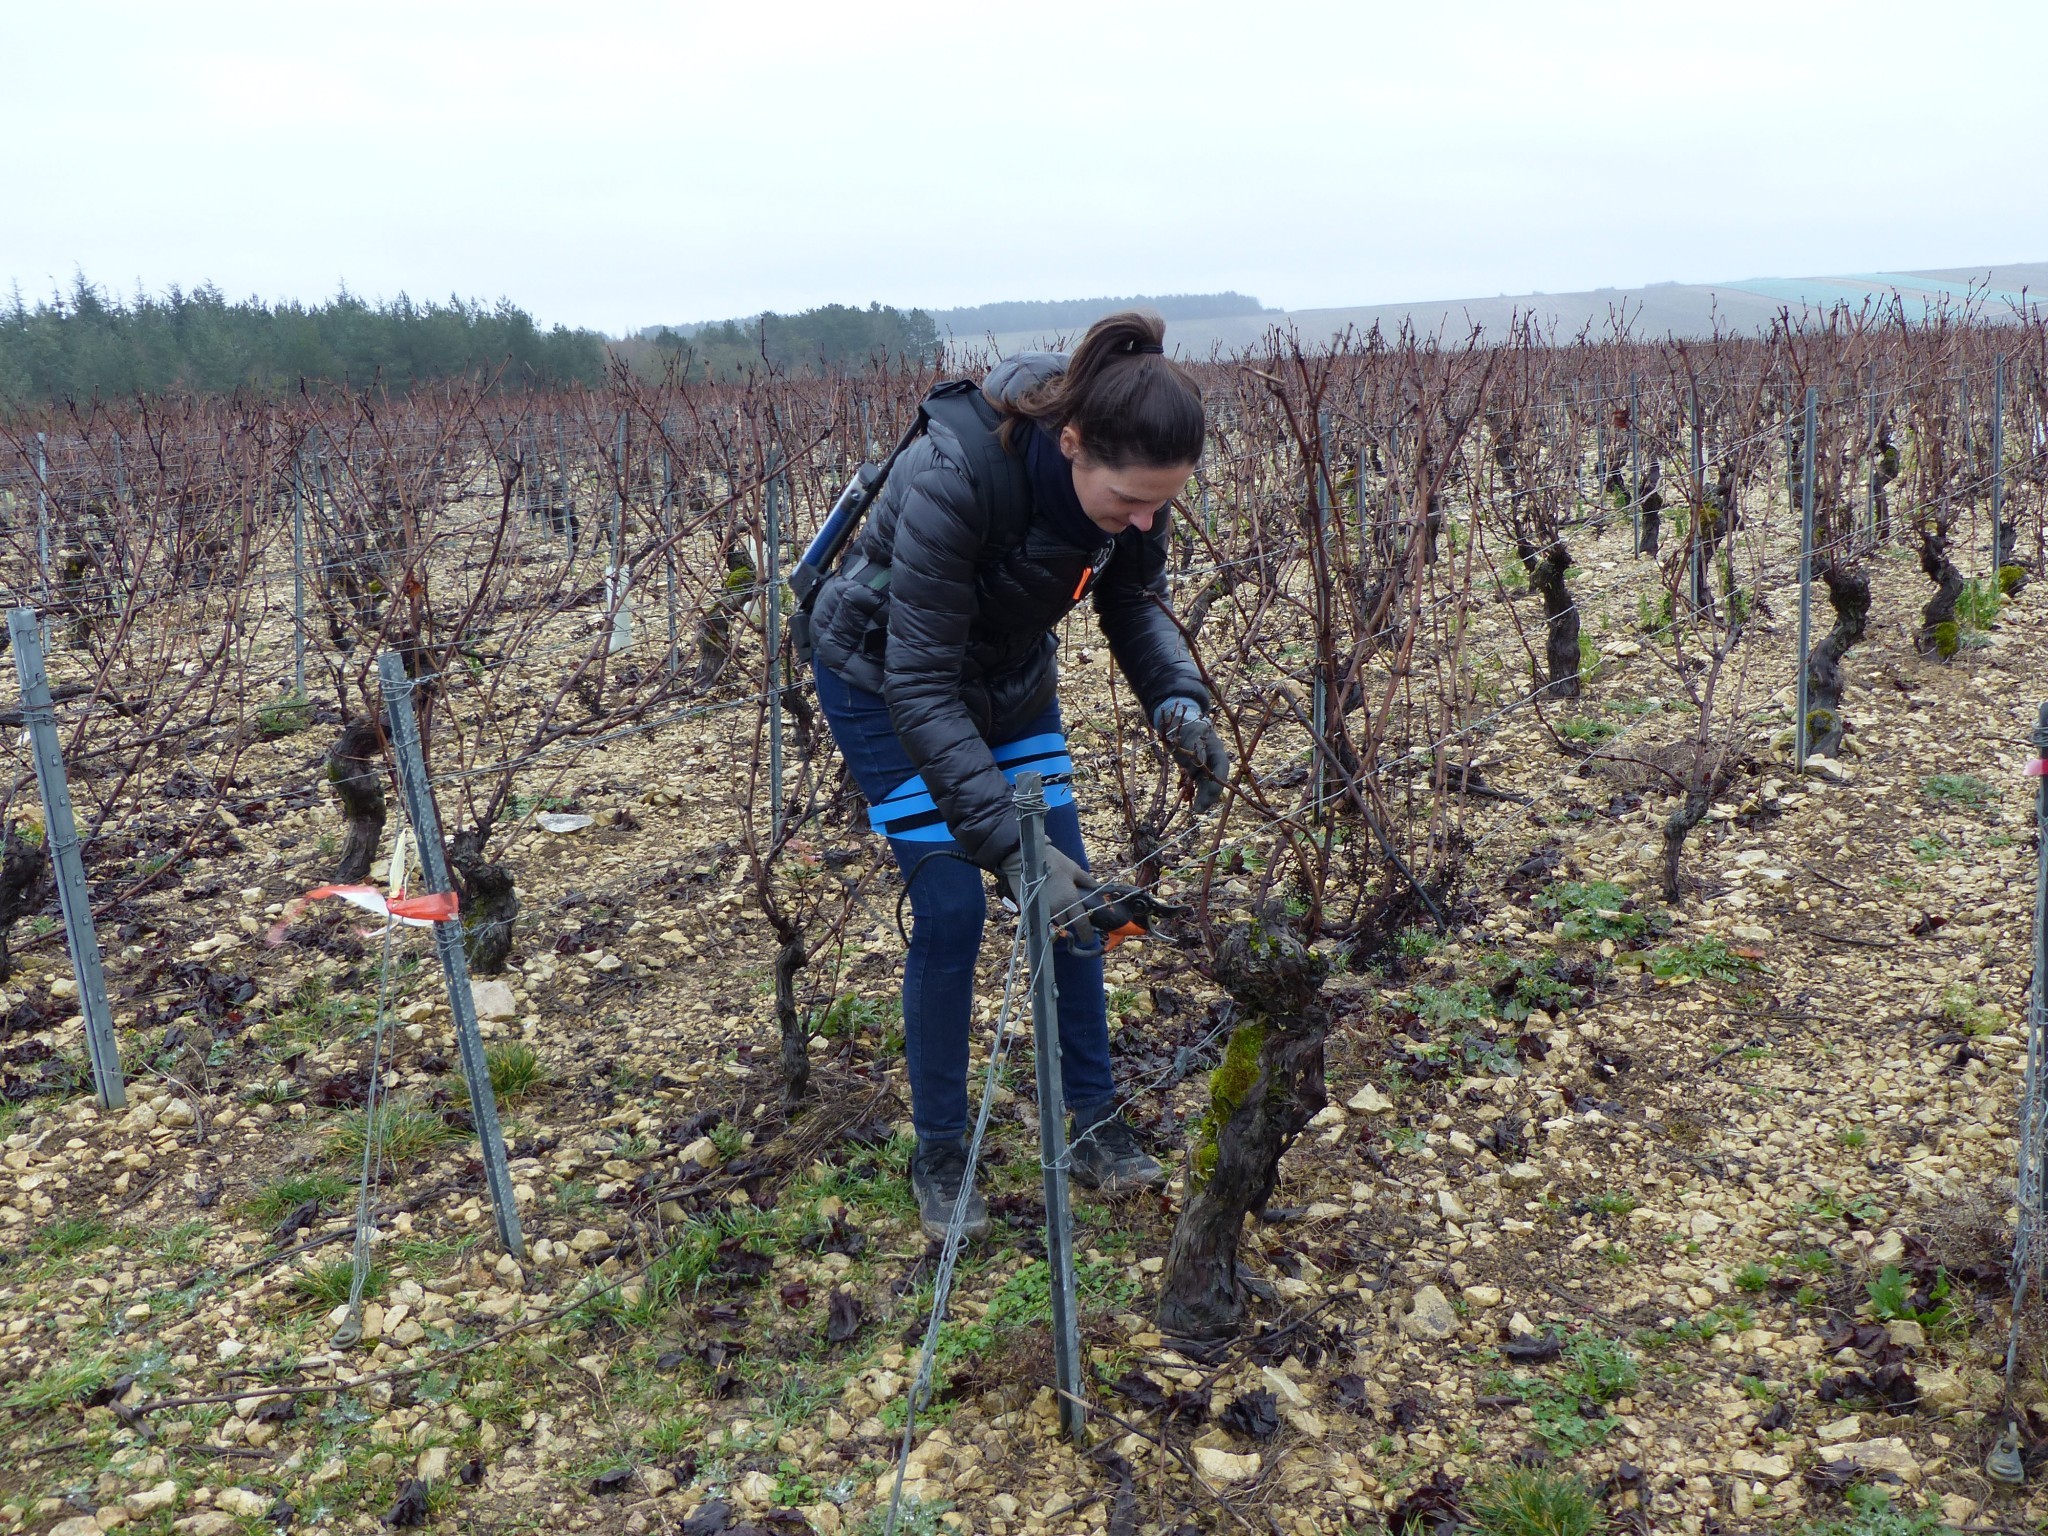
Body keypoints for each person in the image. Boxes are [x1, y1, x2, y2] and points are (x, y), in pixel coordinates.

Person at [808, 311, 1230, 1241]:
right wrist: (1005, 845)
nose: (1146, 518)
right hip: (884, 679)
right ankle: (942, 1152)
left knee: (1073, 902)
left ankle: (1093, 1121)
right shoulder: (956, 477)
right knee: (957, 906)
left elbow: (1133, 596)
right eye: (1128, 500)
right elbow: (919, 682)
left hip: (1007, 674)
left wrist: (1178, 701)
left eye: (1163, 503)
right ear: (1070, 443)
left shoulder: (1132, 488)